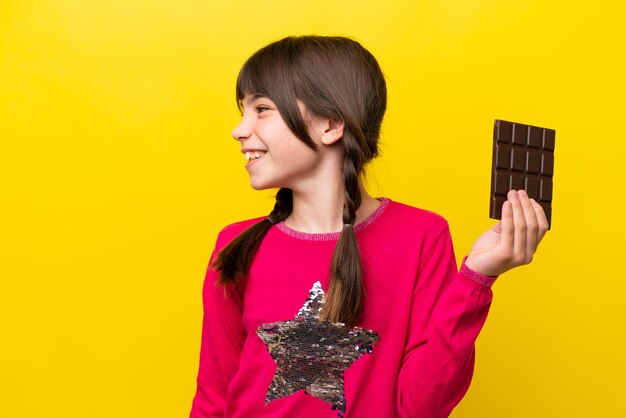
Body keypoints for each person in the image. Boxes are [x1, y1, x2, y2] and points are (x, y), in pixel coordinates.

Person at [190, 35, 548, 418]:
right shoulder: (236, 246)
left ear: (330, 124)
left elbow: (420, 406)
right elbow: (213, 398)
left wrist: (476, 278)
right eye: (243, 110)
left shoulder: (421, 237)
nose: (239, 130)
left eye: (261, 108)